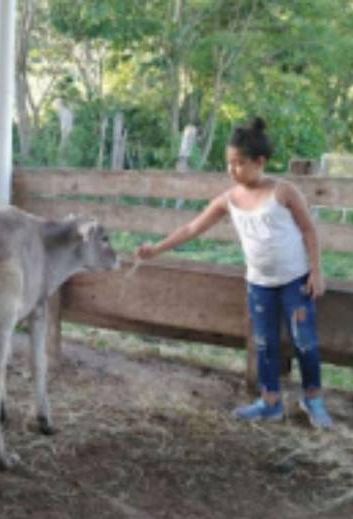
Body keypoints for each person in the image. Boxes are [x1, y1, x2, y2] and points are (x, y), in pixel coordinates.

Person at [136, 117, 333, 429]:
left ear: (260, 161)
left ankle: (313, 398)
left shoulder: (284, 191)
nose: (232, 170)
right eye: (229, 164)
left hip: (295, 280)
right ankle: (270, 402)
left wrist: (317, 272)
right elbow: (192, 227)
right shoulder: (229, 200)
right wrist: (156, 249)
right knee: (265, 342)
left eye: (239, 164)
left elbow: (309, 229)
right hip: (260, 283)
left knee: (304, 340)